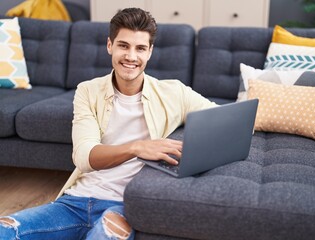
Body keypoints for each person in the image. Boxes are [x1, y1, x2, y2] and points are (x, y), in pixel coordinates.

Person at [0, 8, 216, 240]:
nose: (131, 57)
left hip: (123, 206)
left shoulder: (174, 92)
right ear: (110, 45)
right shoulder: (87, 91)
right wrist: (137, 147)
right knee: (5, 230)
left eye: (140, 48)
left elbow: (221, 118)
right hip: (75, 200)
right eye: (124, 45)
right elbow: (84, 155)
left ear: (150, 52)